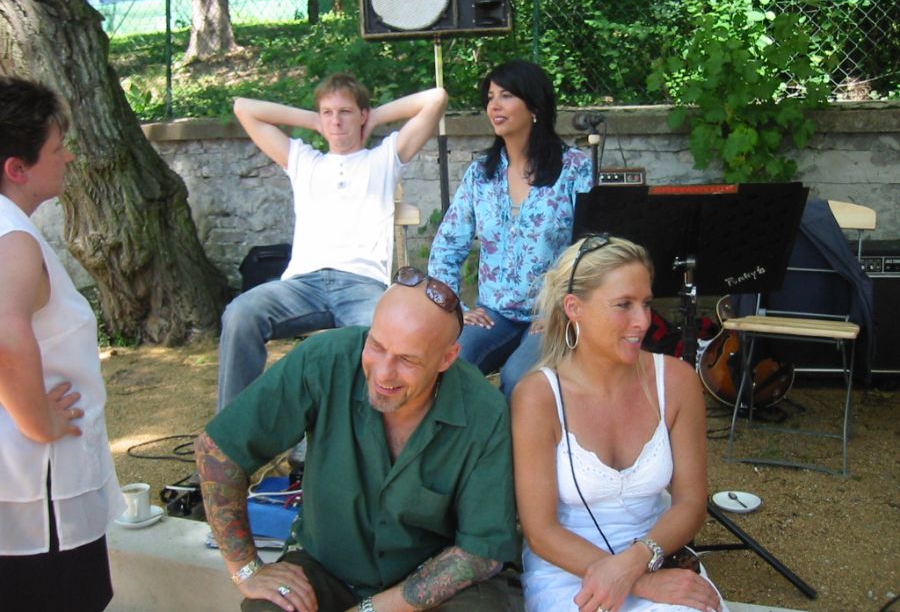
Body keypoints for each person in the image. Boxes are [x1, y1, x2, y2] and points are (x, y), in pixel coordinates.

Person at [195, 266, 518, 612]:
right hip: (325, 569)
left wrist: (372, 609)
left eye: (407, 359)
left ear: (446, 358)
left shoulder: (484, 411)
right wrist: (245, 569)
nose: (383, 373)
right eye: (376, 345)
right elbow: (218, 451)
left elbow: (480, 552)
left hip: (433, 580)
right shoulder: (323, 360)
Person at [511, 235, 727, 612]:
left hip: (656, 554)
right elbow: (541, 531)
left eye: (646, 303)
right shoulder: (539, 396)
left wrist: (639, 561)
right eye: (623, 305)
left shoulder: (676, 381)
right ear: (574, 308)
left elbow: (691, 502)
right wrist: (640, 583)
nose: (643, 321)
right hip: (568, 568)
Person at [219, 75, 448, 410]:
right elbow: (243, 107)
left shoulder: (383, 159)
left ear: (362, 115)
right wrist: (314, 121)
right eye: (327, 112)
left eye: (345, 112)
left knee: (385, 339)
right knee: (240, 313)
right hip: (302, 286)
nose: (336, 121)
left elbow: (436, 98)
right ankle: (232, 430)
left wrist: (374, 119)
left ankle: (366, 433)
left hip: (361, 286)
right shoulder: (303, 160)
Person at [0, 77, 125, 611]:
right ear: (17, 168)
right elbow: (5, 335)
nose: (69, 155)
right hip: (36, 488)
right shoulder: (12, 239)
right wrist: (38, 422)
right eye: (57, 147)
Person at [428, 59, 592, 398]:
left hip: (553, 313)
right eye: (490, 98)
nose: (494, 106)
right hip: (494, 314)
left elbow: (593, 248)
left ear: (534, 105)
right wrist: (455, 309)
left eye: (506, 96)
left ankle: (522, 435)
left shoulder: (575, 167)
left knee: (519, 378)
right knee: (449, 365)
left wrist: (565, 309)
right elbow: (447, 246)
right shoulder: (481, 174)